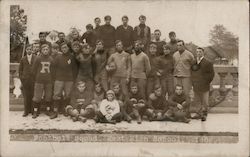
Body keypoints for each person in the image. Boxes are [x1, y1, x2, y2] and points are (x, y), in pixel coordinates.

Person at [50, 42, 78, 119]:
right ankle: (55, 112)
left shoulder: (72, 57)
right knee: (56, 95)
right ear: (61, 49)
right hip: (59, 79)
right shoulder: (58, 57)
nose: (64, 49)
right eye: (62, 48)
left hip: (69, 79)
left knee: (67, 95)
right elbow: (52, 68)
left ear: (68, 48)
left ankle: (66, 110)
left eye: (65, 47)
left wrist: (73, 78)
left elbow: (75, 69)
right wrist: (54, 78)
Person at [191, 47, 215, 121]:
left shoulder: (208, 62)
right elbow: (192, 72)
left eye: (200, 52)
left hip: (204, 85)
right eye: (197, 52)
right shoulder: (194, 62)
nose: (198, 53)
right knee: (197, 100)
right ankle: (198, 113)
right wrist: (193, 82)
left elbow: (211, 74)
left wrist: (205, 82)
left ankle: (204, 115)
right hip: (196, 85)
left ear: (203, 53)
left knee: (205, 101)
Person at [31, 44, 54, 118]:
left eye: (47, 49)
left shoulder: (51, 59)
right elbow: (33, 70)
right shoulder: (38, 58)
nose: (45, 51)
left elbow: (53, 70)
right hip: (39, 80)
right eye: (44, 49)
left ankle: (48, 110)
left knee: (48, 96)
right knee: (37, 97)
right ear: (41, 50)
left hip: (48, 81)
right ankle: (35, 111)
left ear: (49, 50)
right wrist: (36, 79)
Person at [19, 44, 36, 117]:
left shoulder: (35, 58)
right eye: (27, 49)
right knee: (26, 96)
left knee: (33, 95)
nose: (29, 50)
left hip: (33, 80)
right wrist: (22, 79)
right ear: (26, 50)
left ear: (32, 50)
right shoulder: (23, 59)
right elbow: (20, 70)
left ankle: (32, 110)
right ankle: (26, 111)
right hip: (25, 80)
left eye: (30, 49)